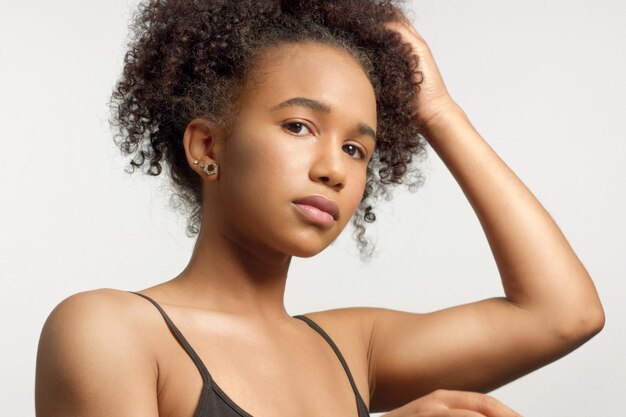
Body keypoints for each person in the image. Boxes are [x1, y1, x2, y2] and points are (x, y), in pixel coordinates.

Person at [34, 1, 605, 416]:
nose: (334, 168)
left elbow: (562, 313)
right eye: (299, 126)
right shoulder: (108, 331)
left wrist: (436, 109)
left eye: (357, 149)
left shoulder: (354, 350)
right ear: (207, 146)